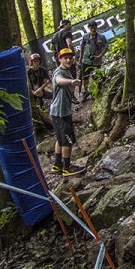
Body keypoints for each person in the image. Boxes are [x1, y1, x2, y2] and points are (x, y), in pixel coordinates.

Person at [49, 48, 85, 176]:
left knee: (60, 138)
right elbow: (59, 80)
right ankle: (66, 168)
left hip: (59, 111)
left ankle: (57, 165)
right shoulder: (59, 72)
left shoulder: (67, 71)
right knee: (67, 140)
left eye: (70, 57)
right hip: (60, 112)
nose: (68, 60)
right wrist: (71, 82)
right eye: (65, 58)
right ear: (60, 59)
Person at [79, 21, 108, 100]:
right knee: (85, 77)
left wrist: (100, 56)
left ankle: (95, 92)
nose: (93, 28)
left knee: (96, 77)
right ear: (88, 28)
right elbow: (81, 47)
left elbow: (106, 46)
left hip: (97, 60)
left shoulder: (101, 37)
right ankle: (85, 92)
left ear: (96, 27)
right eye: (91, 27)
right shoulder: (85, 37)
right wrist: (80, 58)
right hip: (86, 60)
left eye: (94, 27)